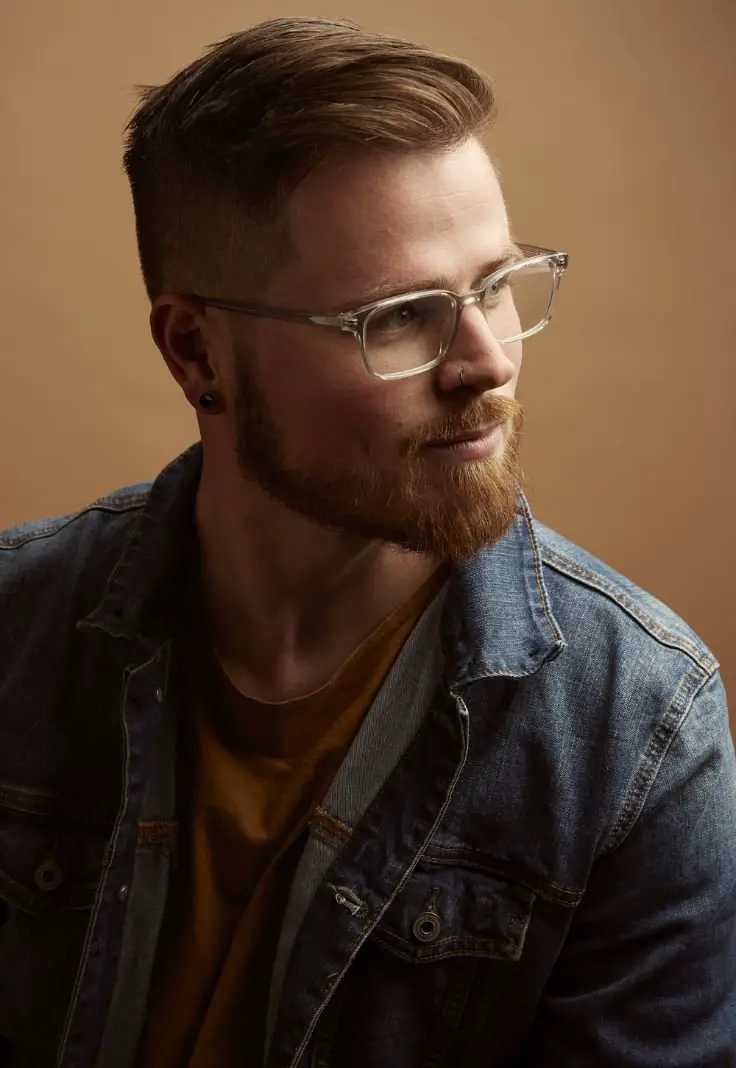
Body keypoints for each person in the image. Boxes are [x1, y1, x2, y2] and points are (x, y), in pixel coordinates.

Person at [0, 16, 733, 1068]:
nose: (486, 363)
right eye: (398, 317)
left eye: (494, 286)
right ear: (195, 350)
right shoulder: (17, 632)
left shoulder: (635, 732)